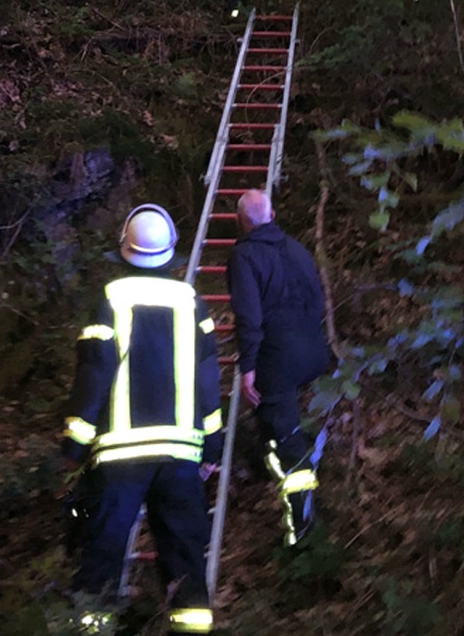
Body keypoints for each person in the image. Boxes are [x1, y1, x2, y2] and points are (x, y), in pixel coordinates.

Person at [62, 204, 224, 634]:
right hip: (180, 456)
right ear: (171, 250)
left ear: (124, 249)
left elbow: (94, 373)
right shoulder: (192, 302)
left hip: (119, 458)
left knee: (102, 555)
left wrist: (75, 442)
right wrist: (213, 443)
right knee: (187, 561)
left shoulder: (112, 300)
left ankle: (92, 629)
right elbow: (208, 379)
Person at [227, 189, 332, 548]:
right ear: (272, 214)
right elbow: (317, 298)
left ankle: (301, 529)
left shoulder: (243, 257)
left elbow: (249, 317)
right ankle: (300, 448)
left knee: (284, 438)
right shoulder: (297, 248)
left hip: (277, 359)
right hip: (315, 351)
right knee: (272, 418)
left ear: (240, 221)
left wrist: (249, 366)